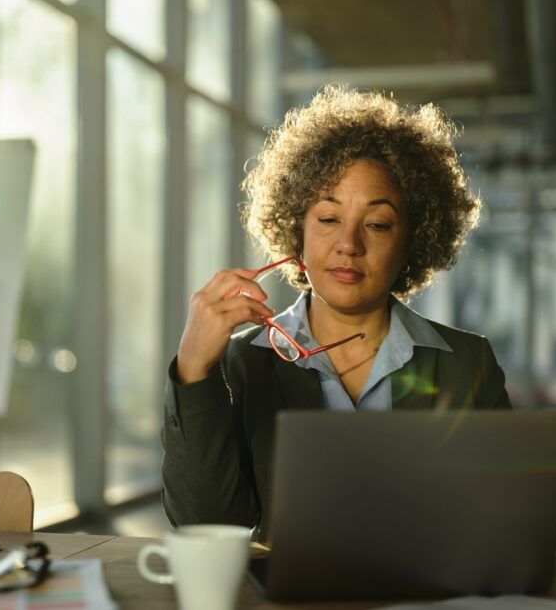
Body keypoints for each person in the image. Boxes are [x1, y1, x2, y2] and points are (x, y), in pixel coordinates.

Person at [161, 85, 511, 543]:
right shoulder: (243, 363)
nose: (349, 243)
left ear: (413, 241)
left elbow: (502, 524)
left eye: (378, 224)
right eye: (328, 219)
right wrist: (193, 371)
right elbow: (205, 526)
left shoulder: (468, 363)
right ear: (296, 232)